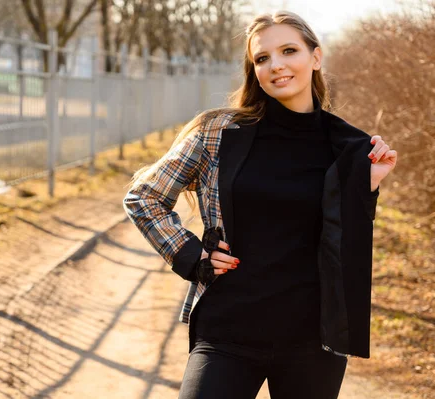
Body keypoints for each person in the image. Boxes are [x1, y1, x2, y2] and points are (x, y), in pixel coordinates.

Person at [123, 10, 398, 399]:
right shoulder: (218, 132)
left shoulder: (349, 148)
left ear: (315, 57)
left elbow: (344, 243)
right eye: (263, 58)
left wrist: (365, 187)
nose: (277, 65)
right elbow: (144, 196)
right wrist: (189, 254)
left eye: (289, 50)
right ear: (254, 70)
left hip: (311, 342)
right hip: (226, 332)